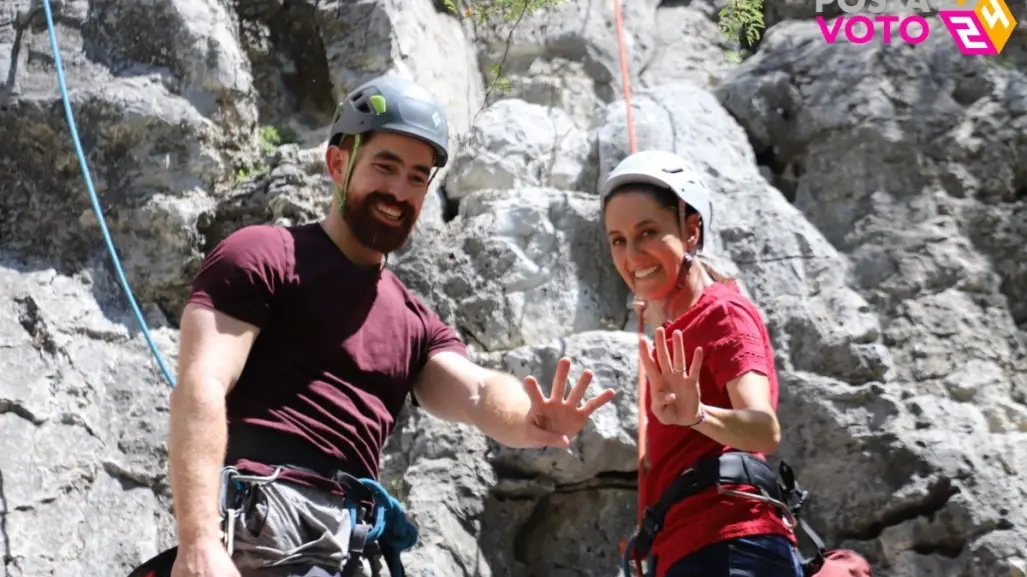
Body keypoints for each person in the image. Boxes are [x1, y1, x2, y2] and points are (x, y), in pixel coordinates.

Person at [166, 74, 617, 577]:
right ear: (339, 163)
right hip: (269, 519)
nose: (400, 191)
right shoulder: (265, 255)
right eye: (386, 166)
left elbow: (476, 390)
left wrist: (530, 417)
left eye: (418, 177)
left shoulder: (414, 321)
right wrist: (200, 540)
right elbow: (201, 383)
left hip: (354, 543)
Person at [600, 150, 803, 577]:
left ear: (692, 230)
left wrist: (697, 414)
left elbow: (763, 428)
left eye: (648, 232)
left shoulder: (723, 313)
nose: (632, 255)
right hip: (694, 549)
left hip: (732, 543)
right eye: (618, 239)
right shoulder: (677, 328)